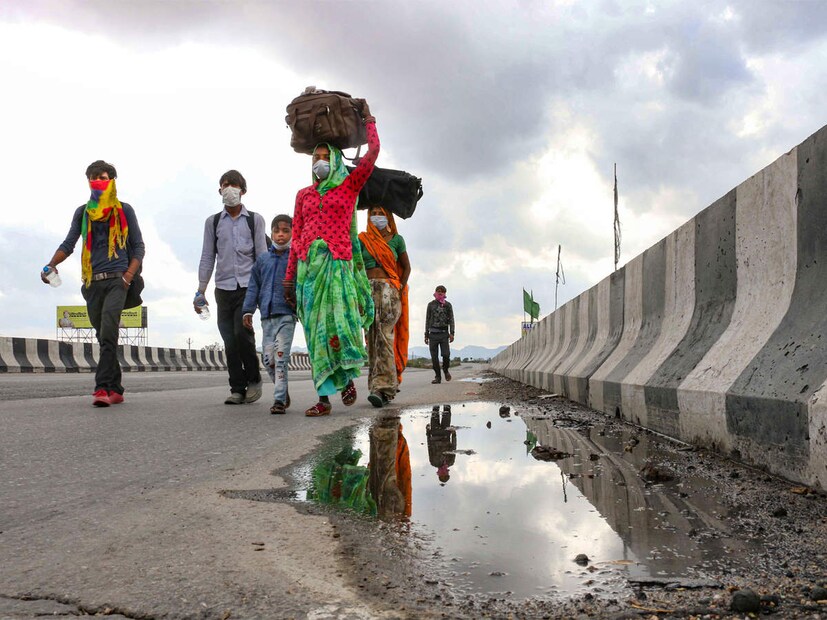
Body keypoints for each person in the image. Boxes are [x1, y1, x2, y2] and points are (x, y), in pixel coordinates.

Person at [283, 99, 378, 417]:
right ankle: (323, 399)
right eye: (316, 158)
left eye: (325, 157)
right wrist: (289, 277)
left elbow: (372, 154)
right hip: (309, 272)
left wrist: (368, 118)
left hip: (337, 267)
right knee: (315, 334)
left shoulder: (349, 187)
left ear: (336, 160)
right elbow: (296, 236)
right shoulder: (303, 195)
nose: (319, 162)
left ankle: (348, 377)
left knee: (340, 327)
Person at [42, 160, 145, 407]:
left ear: (113, 181)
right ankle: (117, 389)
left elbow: (139, 246)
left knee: (109, 333)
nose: (100, 180)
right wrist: (51, 264)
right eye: (95, 177)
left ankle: (101, 389)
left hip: (117, 281)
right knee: (103, 337)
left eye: (105, 177)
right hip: (92, 283)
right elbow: (69, 243)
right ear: (89, 181)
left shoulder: (124, 210)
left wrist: (128, 276)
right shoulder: (83, 212)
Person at [196, 170, 267, 405]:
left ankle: (254, 379)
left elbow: (262, 257)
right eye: (224, 185)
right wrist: (201, 289)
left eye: (233, 185)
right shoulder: (213, 222)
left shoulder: (254, 220)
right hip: (222, 288)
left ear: (242, 190)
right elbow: (208, 256)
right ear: (220, 191)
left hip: (248, 286)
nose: (228, 189)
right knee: (229, 339)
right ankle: (237, 387)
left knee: (241, 333)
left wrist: (264, 290)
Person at [242, 214, 296, 415]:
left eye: (285, 231)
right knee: (268, 360)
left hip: (286, 316)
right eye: (277, 231)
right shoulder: (263, 260)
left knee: (281, 357)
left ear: (292, 233)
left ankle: (279, 400)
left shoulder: (295, 259)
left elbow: (301, 285)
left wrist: (297, 302)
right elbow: (253, 286)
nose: (280, 235)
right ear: (272, 233)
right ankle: (283, 391)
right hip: (266, 317)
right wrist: (248, 310)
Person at [358, 205, 410, 408]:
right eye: (373, 214)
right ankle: (376, 387)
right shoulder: (362, 239)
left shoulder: (397, 240)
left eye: (381, 214)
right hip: (367, 292)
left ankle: (385, 388)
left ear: (389, 217)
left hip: (390, 292)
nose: (377, 217)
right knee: (371, 339)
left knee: (384, 338)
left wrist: (399, 287)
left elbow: (407, 266)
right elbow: (357, 266)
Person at [424, 285, 455, 384]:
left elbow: (451, 320)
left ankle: (445, 370)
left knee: (446, 355)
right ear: (435, 292)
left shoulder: (448, 305)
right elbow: (427, 319)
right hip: (433, 334)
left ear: (445, 293)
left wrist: (452, 333)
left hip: (444, 334)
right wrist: (426, 334)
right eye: (438, 291)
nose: (440, 293)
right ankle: (438, 377)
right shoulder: (431, 305)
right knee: (434, 358)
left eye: (442, 291)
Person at [426, 405, 456, 484]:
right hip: (446, 434)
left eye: (441, 475)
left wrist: (428, 433)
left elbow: (429, 448)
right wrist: (454, 434)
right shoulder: (450, 462)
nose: (443, 473)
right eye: (445, 475)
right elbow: (453, 447)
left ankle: (436, 396)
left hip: (434, 434)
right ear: (447, 473)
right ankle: (447, 395)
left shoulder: (433, 462)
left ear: (438, 474)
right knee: (447, 412)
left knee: (435, 412)